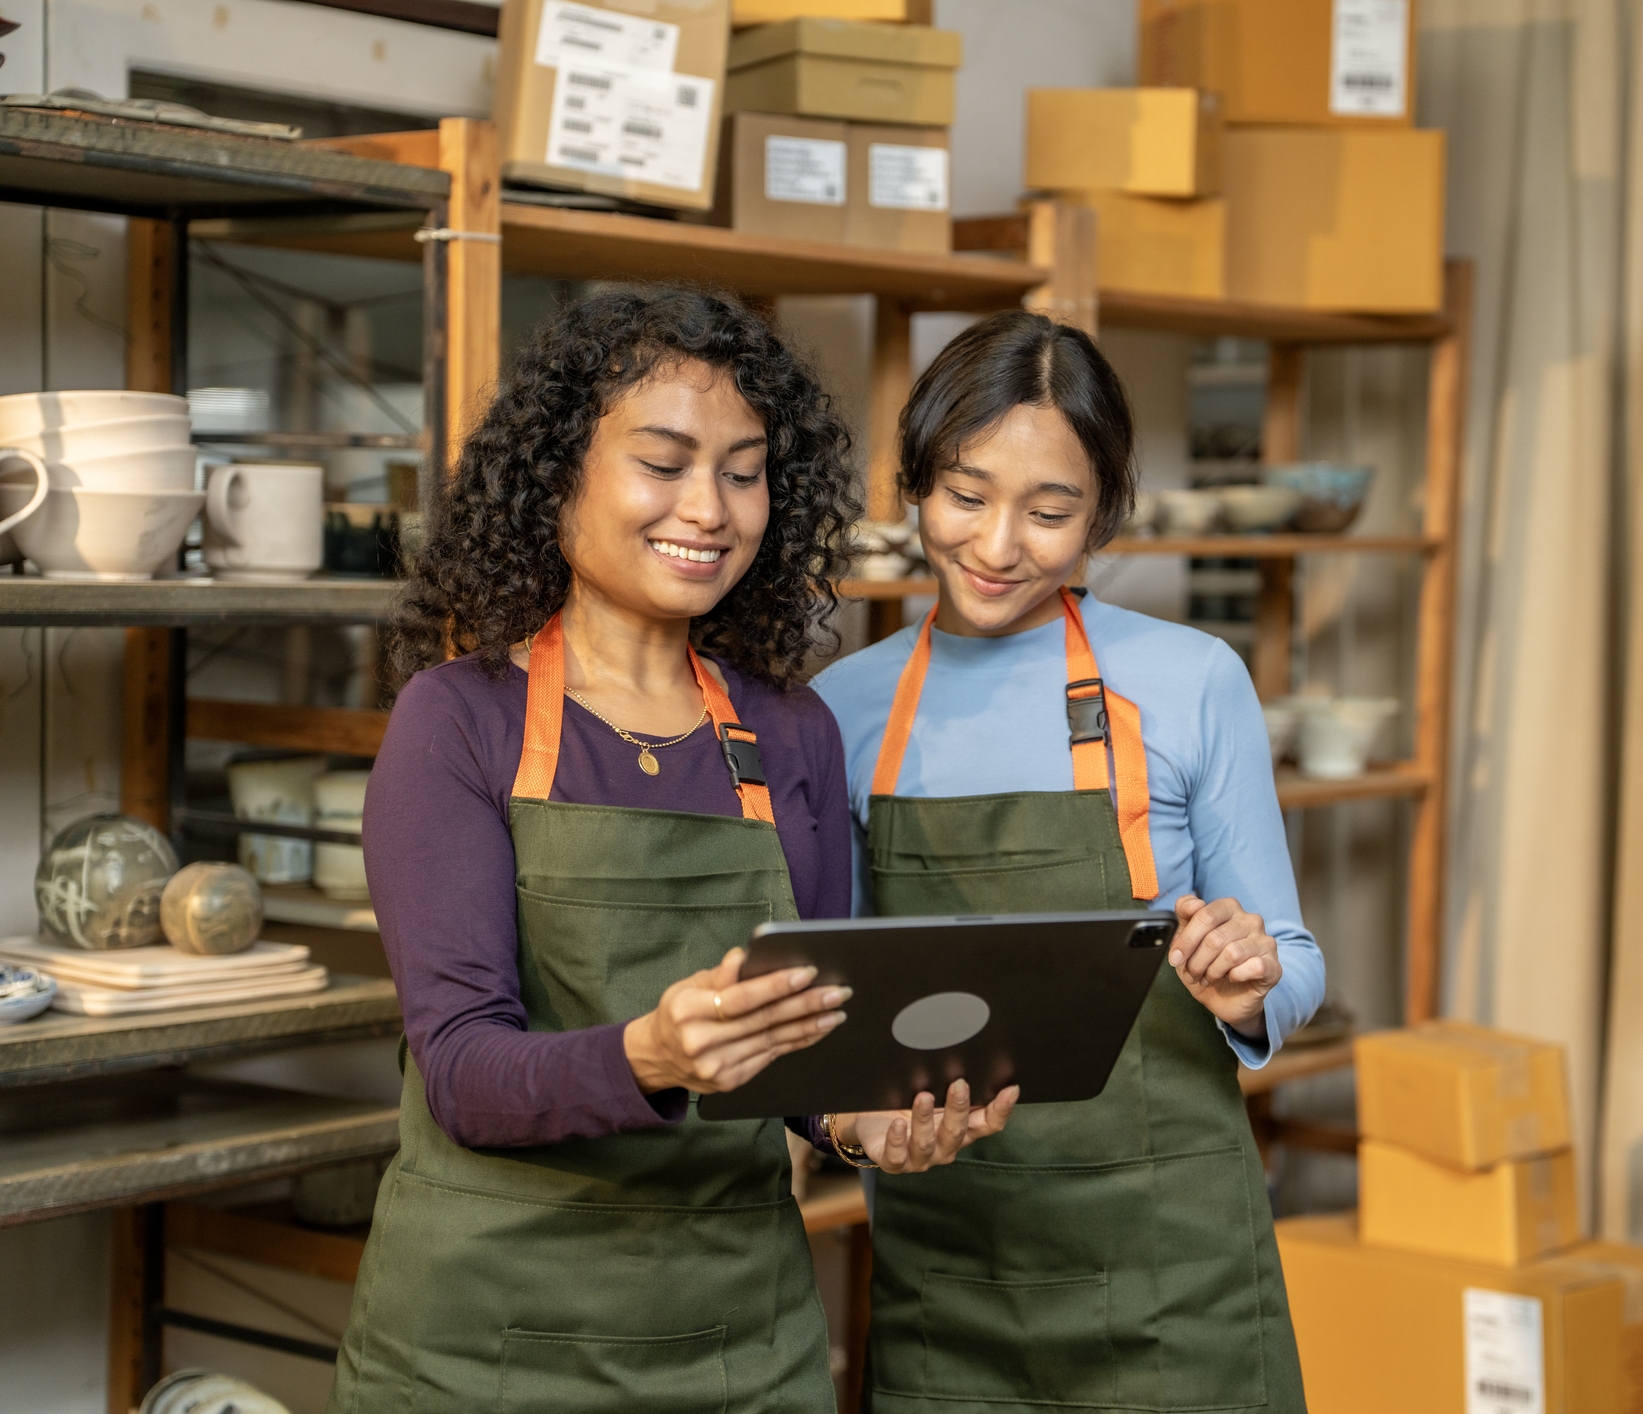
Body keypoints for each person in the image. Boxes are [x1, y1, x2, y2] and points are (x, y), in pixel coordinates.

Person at [328, 288, 1014, 1414]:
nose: (711, 507)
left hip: (739, 1343)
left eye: (743, 472)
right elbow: (459, 1071)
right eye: (664, 462)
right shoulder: (460, 721)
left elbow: (814, 1051)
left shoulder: (792, 732)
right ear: (560, 477)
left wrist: (867, 1121)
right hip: (484, 1345)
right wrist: (649, 1052)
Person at [812, 310, 1321, 1412]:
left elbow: (1292, 954)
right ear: (914, 483)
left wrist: (1249, 982)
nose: (998, 546)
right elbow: (836, 1003)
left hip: (1173, 1283)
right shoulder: (842, 712)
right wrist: (858, 1118)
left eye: (1050, 511)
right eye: (966, 495)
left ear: (1103, 514)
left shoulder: (1192, 679)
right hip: (951, 1274)